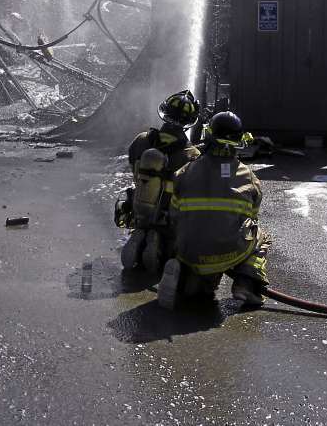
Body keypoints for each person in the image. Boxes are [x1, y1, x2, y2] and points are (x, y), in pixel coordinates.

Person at [158, 110, 271, 309]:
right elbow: (252, 217)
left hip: (188, 249)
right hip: (229, 252)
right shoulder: (248, 176)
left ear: (208, 135)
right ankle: (246, 283)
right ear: (239, 142)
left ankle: (183, 272)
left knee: (200, 285)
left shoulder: (185, 171)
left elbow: (174, 215)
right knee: (261, 236)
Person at [115, 90, 201, 273]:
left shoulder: (141, 140)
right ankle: (160, 241)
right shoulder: (191, 154)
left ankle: (140, 231)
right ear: (189, 122)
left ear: (164, 113)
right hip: (168, 215)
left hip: (139, 206)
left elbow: (133, 166)